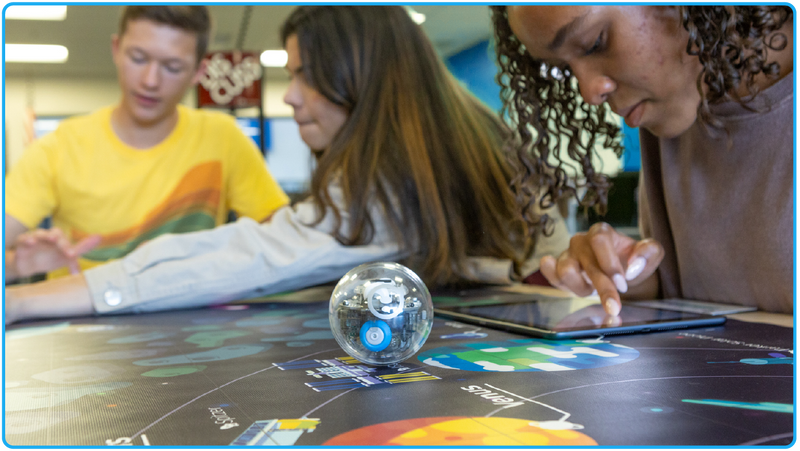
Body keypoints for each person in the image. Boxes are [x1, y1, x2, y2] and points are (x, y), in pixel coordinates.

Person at [5, 5, 570, 325]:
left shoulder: (398, 184)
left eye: (302, 75)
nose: (291, 96)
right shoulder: (466, 134)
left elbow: (259, 250)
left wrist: (17, 301)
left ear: (359, 75)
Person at [490, 6, 793, 315]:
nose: (589, 92)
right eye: (563, 70)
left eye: (596, 42)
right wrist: (626, 275)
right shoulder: (676, 108)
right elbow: (705, 295)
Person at [4, 6, 289, 283]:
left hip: (193, 324)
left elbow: (288, 242)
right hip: (80, 320)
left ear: (198, 72)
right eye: (138, 58)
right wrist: (17, 265)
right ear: (116, 49)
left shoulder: (225, 139)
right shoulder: (57, 148)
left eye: (172, 67)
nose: (150, 81)